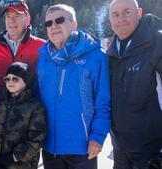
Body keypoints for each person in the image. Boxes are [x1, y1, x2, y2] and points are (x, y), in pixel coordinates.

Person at [36, 4, 111, 169]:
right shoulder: (43, 60)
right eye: (48, 23)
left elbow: (103, 101)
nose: (53, 26)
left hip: (82, 148)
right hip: (50, 147)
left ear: (74, 24)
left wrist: (97, 137)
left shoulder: (95, 56)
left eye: (59, 20)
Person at [107, 0, 162, 168]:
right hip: (120, 149)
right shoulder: (111, 53)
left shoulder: (157, 43)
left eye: (127, 12)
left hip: (151, 151)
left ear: (139, 13)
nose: (121, 19)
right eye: (115, 15)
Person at [0, 62, 47, 169]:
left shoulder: (35, 106)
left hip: (22, 165)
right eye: (7, 79)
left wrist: (12, 157)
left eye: (15, 79)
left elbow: (37, 139)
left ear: (26, 80)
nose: (10, 82)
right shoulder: (0, 104)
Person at [0, 0, 45, 103]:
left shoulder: (42, 47)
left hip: (31, 115)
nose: (11, 21)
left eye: (17, 16)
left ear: (27, 19)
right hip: (0, 114)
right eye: (8, 17)